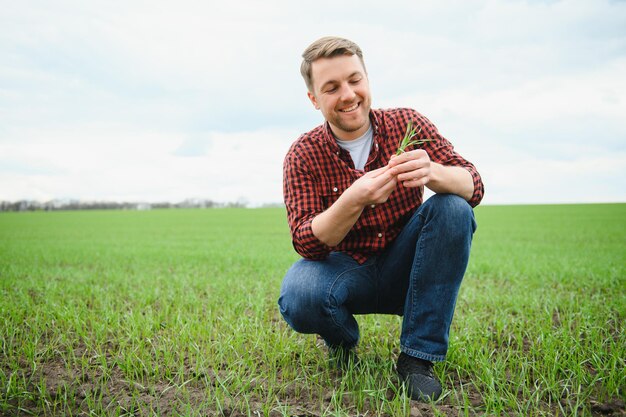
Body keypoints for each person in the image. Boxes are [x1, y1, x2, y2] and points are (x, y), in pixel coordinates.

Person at [278, 36, 484, 402]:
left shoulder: (407, 124)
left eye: (354, 80)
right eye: (331, 87)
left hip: (407, 266)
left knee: (453, 208)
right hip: (344, 271)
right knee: (300, 292)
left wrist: (432, 171)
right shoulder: (303, 154)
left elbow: (474, 186)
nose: (348, 94)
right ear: (314, 99)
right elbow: (305, 240)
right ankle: (342, 341)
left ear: (367, 79)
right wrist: (353, 199)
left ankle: (416, 361)